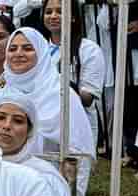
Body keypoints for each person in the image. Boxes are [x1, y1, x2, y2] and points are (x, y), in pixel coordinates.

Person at [0, 27, 95, 196]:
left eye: (27, 48)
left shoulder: (62, 95)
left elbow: (79, 151)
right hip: (6, 186)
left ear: (41, 53)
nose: (18, 53)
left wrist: (71, 189)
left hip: (52, 185)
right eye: (13, 48)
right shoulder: (1, 93)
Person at [43, 0, 105, 146]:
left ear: (73, 16)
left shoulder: (88, 49)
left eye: (60, 11)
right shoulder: (38, 48)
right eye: (48, 12)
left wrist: (60, 83)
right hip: (45, 127)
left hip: (77, 127)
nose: (53, 16)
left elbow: (88, 98)